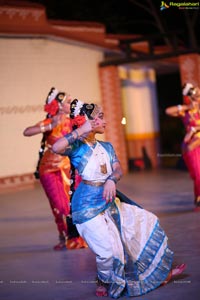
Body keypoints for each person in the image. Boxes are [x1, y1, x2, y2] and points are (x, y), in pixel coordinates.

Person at [52, 99, 186, 298]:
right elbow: (56, 147)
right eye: (101, 117)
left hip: (109, 201)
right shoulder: (78, 148)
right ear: (89, 121)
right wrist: (82, 130)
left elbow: (117, 168)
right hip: (87, 207)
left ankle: (160, 273)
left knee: (144, 223)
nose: (105, 122)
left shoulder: (106, 146)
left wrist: (112, 180)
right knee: (107, 252)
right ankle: (104, 281)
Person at [23, 88, 87, 250]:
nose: (70, 103)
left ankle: (75, 237)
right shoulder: (51, 122)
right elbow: (27, 132)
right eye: (67, 101)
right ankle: (67, 237)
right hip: (49, 170)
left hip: (70, 169)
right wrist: (50, 126)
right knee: (59, 206)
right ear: (58, 105)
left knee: (75, 205)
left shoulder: (73, 121)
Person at [165, 82, 200, 212]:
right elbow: (168, 111)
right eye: (195, 94)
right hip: (191, 146)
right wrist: (186, 106)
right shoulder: (186, 111)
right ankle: (198, 199)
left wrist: (195, 128)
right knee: (197, 173)